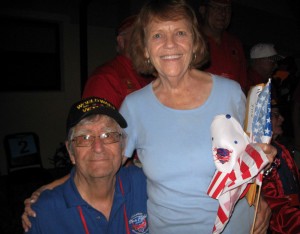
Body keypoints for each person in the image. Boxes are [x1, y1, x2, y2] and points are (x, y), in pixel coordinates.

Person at [22, 0, 276, 233]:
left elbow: (251, 156)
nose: (170, 44)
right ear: (145, 48)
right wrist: (51, 189)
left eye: (180, 32)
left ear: (195, 42)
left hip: (238, 226)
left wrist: (260, 198)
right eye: (157, 35)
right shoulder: (134, 107)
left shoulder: (230, 92)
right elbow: (105, 159)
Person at [25, 97, 148, 233]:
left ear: (123, 146)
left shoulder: (144, 184)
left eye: (107, 135)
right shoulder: (44, 213)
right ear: (71, 152)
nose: (98, 147)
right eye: (85, 137)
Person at [82, 15, 152, 109]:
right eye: (137, 37)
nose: (144, 42)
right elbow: (95, 122)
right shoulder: (105, 78)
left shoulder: (150, 76)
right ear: (121, 42)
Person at [262, 100, 300, 233]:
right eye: (276, 115)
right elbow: (274, 208)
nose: (282, 119)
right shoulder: (259, 157)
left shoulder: (282, 149)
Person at [198, 0, 248, 92]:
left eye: (227, 9)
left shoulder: (235, 44)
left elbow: (242, 84)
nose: (223, 13)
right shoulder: (192, 40)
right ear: (203, 10)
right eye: (217, 8)